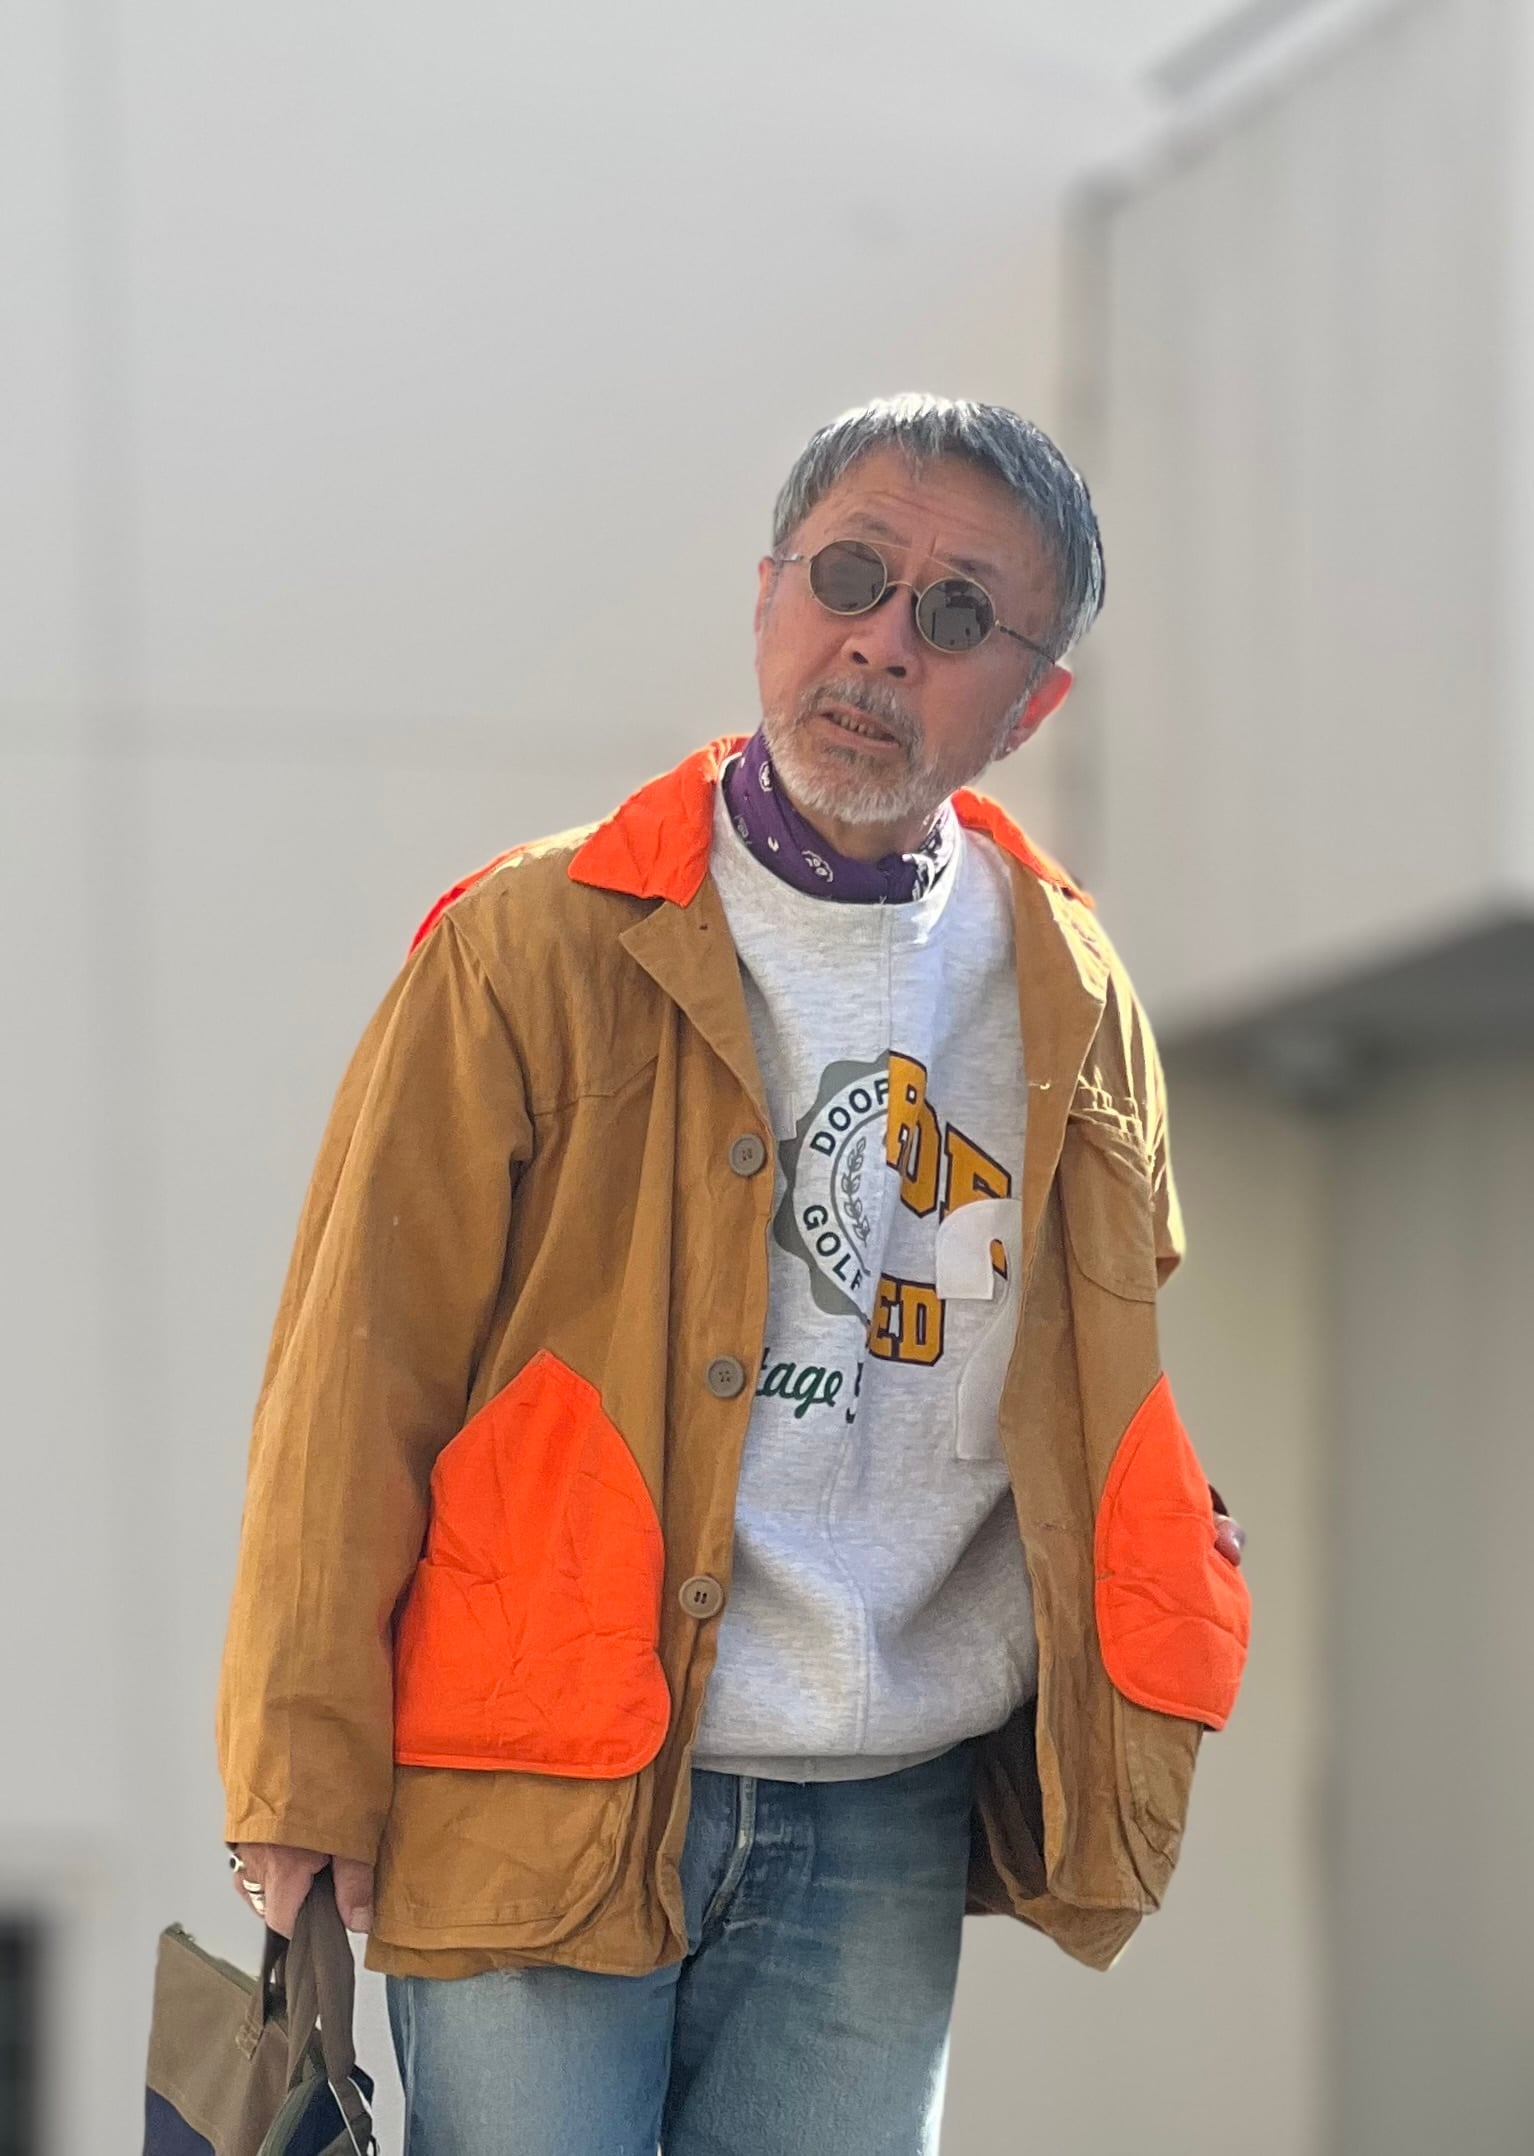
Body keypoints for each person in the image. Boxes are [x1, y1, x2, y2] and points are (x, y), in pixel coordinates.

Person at [218, 393, 1250, 2155]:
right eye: (849, 575)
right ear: (770, 592)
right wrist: (299, 1768)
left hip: (886, 1800)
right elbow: (356, 1377)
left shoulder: (1072, 995)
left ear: (1030, 705)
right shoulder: (531, 944)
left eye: (955, 615)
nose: (881, 642)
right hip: (540, 1767)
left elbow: (1101, 1383)